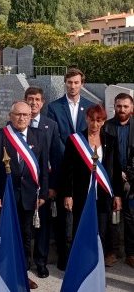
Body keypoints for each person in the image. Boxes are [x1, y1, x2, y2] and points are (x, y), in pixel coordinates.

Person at [0, 101, 48, 290]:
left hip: (30, 196)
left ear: (31, 117)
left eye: (25, 115)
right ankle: (5, 272)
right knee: (5, 235)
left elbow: (44, 168)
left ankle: (23, 273)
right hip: (6, 196)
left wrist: (43, 193)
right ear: (10, 115)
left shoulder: (39, 136)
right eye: (18, 114)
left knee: (26, 235)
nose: (21, 118)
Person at [46, 67, 93, 270]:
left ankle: (81, 255)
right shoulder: (54, 107)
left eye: (76, 82)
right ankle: (64, 258)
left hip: (83, 170)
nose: (73, 86)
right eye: (69, 82)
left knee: (81, 212)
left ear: (82, 83)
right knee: (64, 215)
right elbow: (54, 138)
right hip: (61, 166)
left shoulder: (90, 107)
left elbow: (92, 134)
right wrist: (68, 157)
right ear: (65, 83)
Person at [59, 104, 122, 252]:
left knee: (101, 230)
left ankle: (97, 261)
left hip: (103, 193)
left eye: (99, 120)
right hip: (81, 194)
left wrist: (117, 195)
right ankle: (80, 259)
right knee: (80, 228)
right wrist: (68, 194)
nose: (95, 124)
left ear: (103, 121)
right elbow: (68, 170)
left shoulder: (111, 140)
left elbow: (117, 169)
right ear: (86, 119)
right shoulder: (75, 140)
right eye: (92, 119)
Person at [24, 87, 62, 278]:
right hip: (23, 186)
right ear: (25, 100)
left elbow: (56, 158)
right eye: (30, 99)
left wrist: (52, 187)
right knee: (25, 227)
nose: (33, 103)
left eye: (37, 99)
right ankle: (25, 262)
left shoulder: (51, 125)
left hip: (43, 186)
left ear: (43, 102)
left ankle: (41, 262)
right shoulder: (16, 122)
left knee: (43, 227)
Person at [104, 93, 134, 267]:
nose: (122, 110)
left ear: (131, 108)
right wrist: (116, 173)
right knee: (110, 215)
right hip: (111, 179)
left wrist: (129, 173)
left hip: (132, 180)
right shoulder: (106, 127)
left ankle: (131, 253)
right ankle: (111, 251)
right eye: (119, 106)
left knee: (131, 217)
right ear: (114, 107)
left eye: (125, 106)